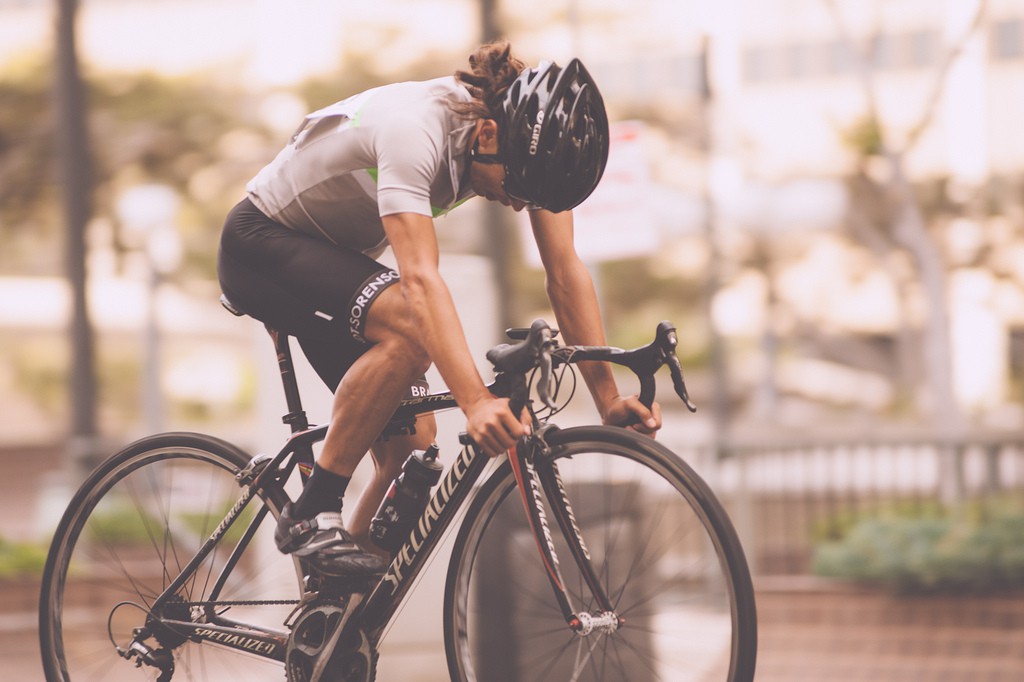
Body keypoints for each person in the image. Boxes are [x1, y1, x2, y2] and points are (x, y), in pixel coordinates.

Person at [217, 41, 662, 577]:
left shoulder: (524, 153)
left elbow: (564, 272)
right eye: (517, 187)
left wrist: (607, 397)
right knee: (409, 327)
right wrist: (475, 400)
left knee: (413, 448)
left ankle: (331, 615)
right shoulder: (416, 130)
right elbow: (420, 281)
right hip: (259, 244)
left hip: (335, 262)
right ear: (490, 133)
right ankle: (311, 513)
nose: (521, 203)